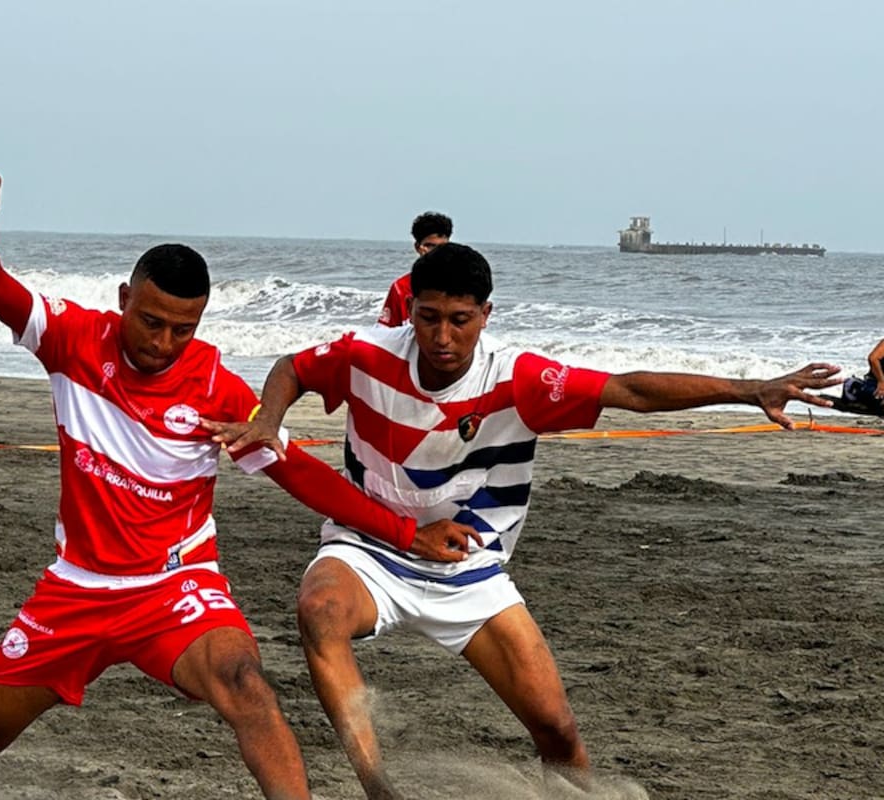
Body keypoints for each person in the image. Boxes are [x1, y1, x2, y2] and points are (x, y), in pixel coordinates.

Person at [206, 242, 841, 798]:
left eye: (460, 321)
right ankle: (379, 788)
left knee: (556, 730)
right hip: (370, 545)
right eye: (429, 318)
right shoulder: (367, 353)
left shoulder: (519, 376)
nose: (443, 338)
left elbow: (631, 390)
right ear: (411, 312)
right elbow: (294, 366)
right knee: (319, 609)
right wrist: (269, 418)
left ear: (486, 316)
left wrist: (749, 388)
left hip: (469, 568)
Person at [0, 171, 480, 800]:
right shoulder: (69, 338)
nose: (163, 343)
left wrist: (407, 532)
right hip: (79, 588)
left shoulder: (215, 388)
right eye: (150, 322)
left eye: (183, 329)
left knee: (247, 685)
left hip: (176, 586)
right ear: (123, 298)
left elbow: (298, 472)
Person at [377, 211, 452, 327]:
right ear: (418, 247)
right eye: (430, 246)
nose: (437, 252)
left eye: (442, 247)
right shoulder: (400, 288)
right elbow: (384, 333)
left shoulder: (460, 284)